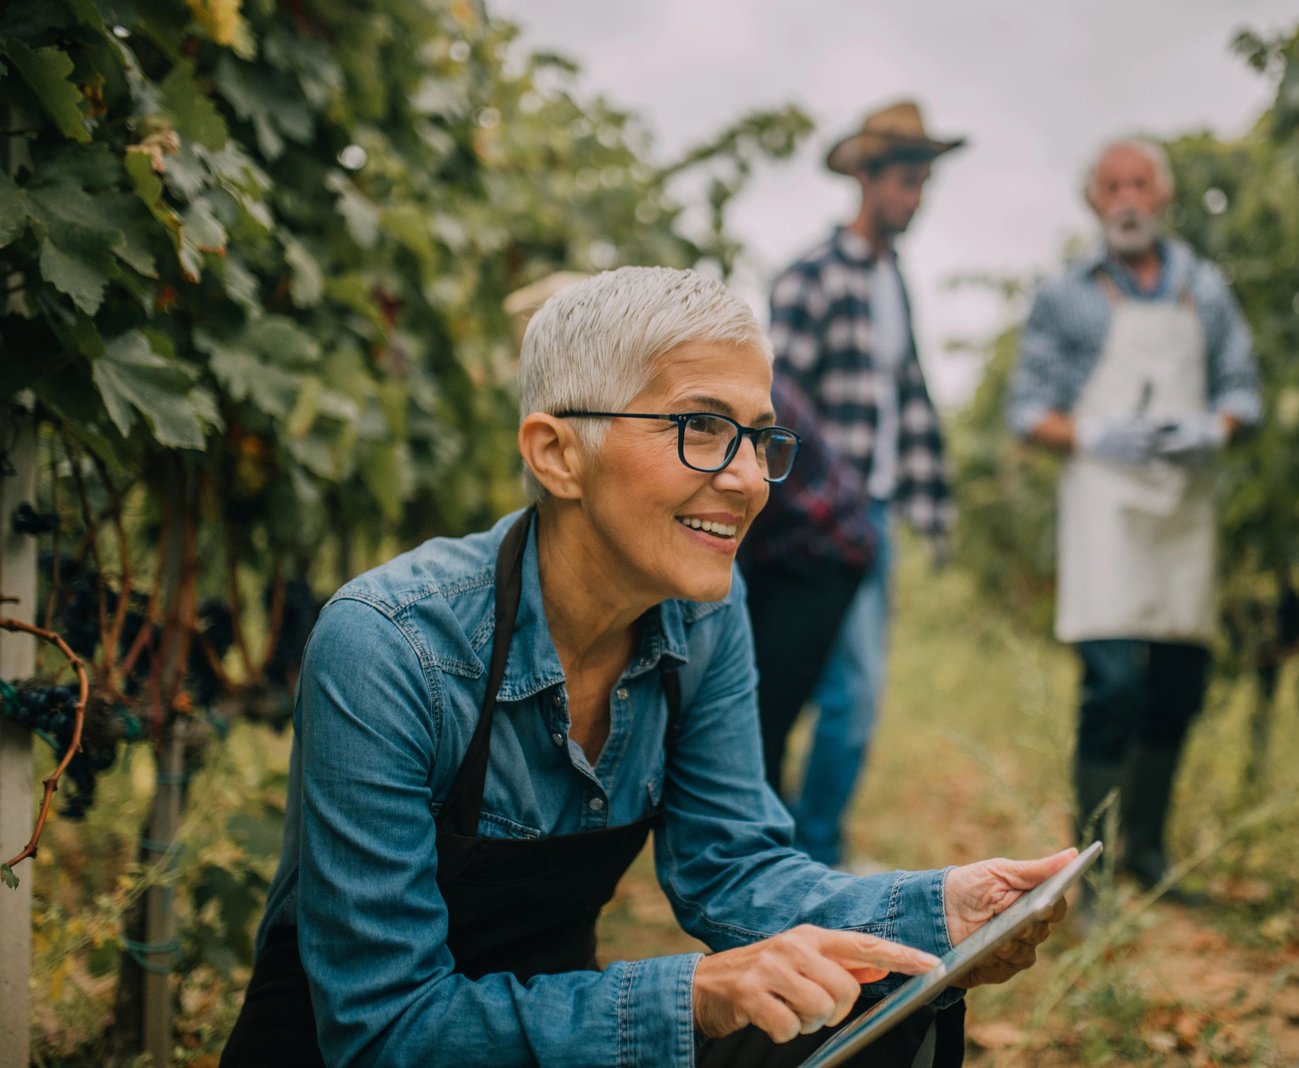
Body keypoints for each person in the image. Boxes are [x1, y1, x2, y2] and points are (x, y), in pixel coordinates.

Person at [222, 267, 1076, 1067]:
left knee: (878, 997)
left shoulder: (706, 614)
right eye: (702, 428)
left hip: (546, 1037)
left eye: (758, 438)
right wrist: (695, 995)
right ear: (558, 454)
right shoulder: (388, 646)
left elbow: (730, 867)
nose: (748, 479)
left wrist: (942, 911)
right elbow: (385, 1031)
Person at [1005, 139, 1262, 897]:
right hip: (1106, 507)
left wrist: (1216, 428)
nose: (1126, 198)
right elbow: (1028, 410)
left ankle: (1147, 853)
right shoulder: (1066, 296)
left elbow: (1243, 389)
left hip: (1182, 506)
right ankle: (1089, 868)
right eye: (1111, 185)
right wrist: (1091, 433)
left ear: (1163, 196)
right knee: (1112, 683)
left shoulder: (1205, 290)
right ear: (1093, 202)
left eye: (1140, 184)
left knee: (1180, 681)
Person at [768, 100, 962, 867]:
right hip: (819, 522)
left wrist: (930, 502)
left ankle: (804, 845)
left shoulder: (894, 284)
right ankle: (807, 854)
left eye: (923, 185)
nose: (914, 199)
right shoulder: (811, 277)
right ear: (868, 178)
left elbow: (906, 399)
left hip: (875, 514)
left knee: (848, 694)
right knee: (837, 692)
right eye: (906, 183)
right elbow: (778, 401)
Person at [739, 369, 879, 796]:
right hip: (777, 546)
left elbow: (743, 506)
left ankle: (766, 848)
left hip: (823, 549)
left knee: (761, 718)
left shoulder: (746, 387)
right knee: (753, 713)